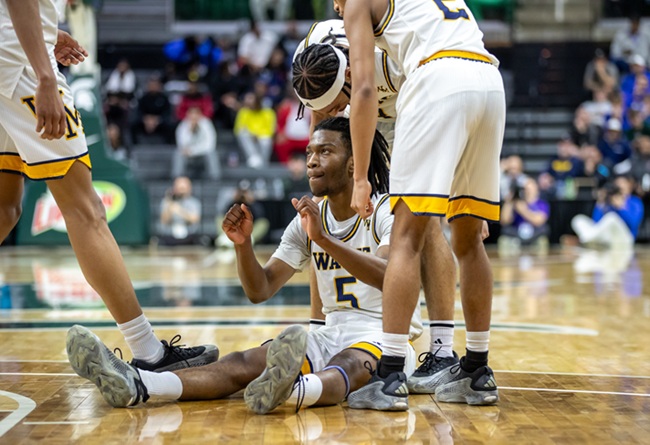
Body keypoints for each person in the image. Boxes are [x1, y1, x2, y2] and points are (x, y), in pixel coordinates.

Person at [66, 117, 422, 414]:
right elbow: (260, 289)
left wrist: (326, 241)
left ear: (353, 164)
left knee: (345, 366)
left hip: (385, 336)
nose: (311, 160)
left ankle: (294, 391)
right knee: (243, 363)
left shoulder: (387, 211)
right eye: (309, 151)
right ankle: (139, 384)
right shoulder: (307, 221)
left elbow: (389, 277)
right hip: (330, 332)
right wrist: (243, 246)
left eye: (324, 151)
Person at [0, 0, 217, 371]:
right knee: (87, 212)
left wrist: (45, 33)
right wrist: (45, 76)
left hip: (11, 54)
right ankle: (149, 351)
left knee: (5, 208)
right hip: (19, 68)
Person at [329, 0, 505, 409]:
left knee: (407, 237)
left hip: (437, 78)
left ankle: (389, 376)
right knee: (469, 241)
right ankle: (477, 371)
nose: (338, 7)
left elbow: (366, 88)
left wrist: (359, 180)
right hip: (488, 81)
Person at [292, 21, 464, 399]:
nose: (334, 111)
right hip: (366, 117)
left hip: (411, 115)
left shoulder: (392, 55)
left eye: (338, 103)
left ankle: (441, 351)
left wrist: (458, 188)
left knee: (422, 217)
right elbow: (323, 124)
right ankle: (320, 326)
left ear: (351, 75)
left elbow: (443, 114)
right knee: (323, 215)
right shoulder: (312, 57)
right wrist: (329, 179)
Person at [571, 175, 644, 249]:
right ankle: (590, 239)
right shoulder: (608, 201)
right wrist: (600, 204)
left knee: (611, 218)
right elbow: (596, 222)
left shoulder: (635, 201)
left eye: (623, 183)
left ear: (629, 185)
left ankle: (587, 239)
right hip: (606, 238)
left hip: (625, 238)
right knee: (578, 219)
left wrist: (621, 208)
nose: (620, 186)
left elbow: (634, 224)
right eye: (617, 184)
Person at [499, 178, 550, 255]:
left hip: (535, 235)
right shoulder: (516, 203)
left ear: (536, 189)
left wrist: (523, 210)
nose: (528, 191)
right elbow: (505, 220)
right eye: (526, 189)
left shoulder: (542, 204)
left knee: (543, 239)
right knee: (504, 239)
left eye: (531, 189)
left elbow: (539, 221)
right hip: (516, 235)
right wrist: (509, 201)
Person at [172, 106, 221, 180]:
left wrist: (193, 150)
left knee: (212, 153)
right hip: (189, 156)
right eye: (191, 114)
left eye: (196, 114)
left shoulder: (207, 124)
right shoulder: (183, 125)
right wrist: (190, 130)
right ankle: (177, 178)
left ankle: (215, 178)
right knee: (178, 153)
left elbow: (210, 145)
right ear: (187, 114)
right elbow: (182, 145)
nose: (193, 116)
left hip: (203, 154)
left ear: (200, 114)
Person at [234, 91, 276, 168]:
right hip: (250, 136)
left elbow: (271, 129)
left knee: (265, 141)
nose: (248, 101)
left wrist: (258, 134)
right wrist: (252, 134)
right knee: (242, 134)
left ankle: (263, 162)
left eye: (250, 98)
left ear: (257, 100)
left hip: (263, 135)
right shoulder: (243, 112)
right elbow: (238, 128)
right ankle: (253, 157)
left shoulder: (268, 112)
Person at [158, 176, 204, 246]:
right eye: (179, 188)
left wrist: (180, 211)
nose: (181, 191)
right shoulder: (167, 202)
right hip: (169, 237)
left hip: (189, 237)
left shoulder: (194, 202)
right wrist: (170, 203)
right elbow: (164, 221)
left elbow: (194, 219)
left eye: (183, 188)